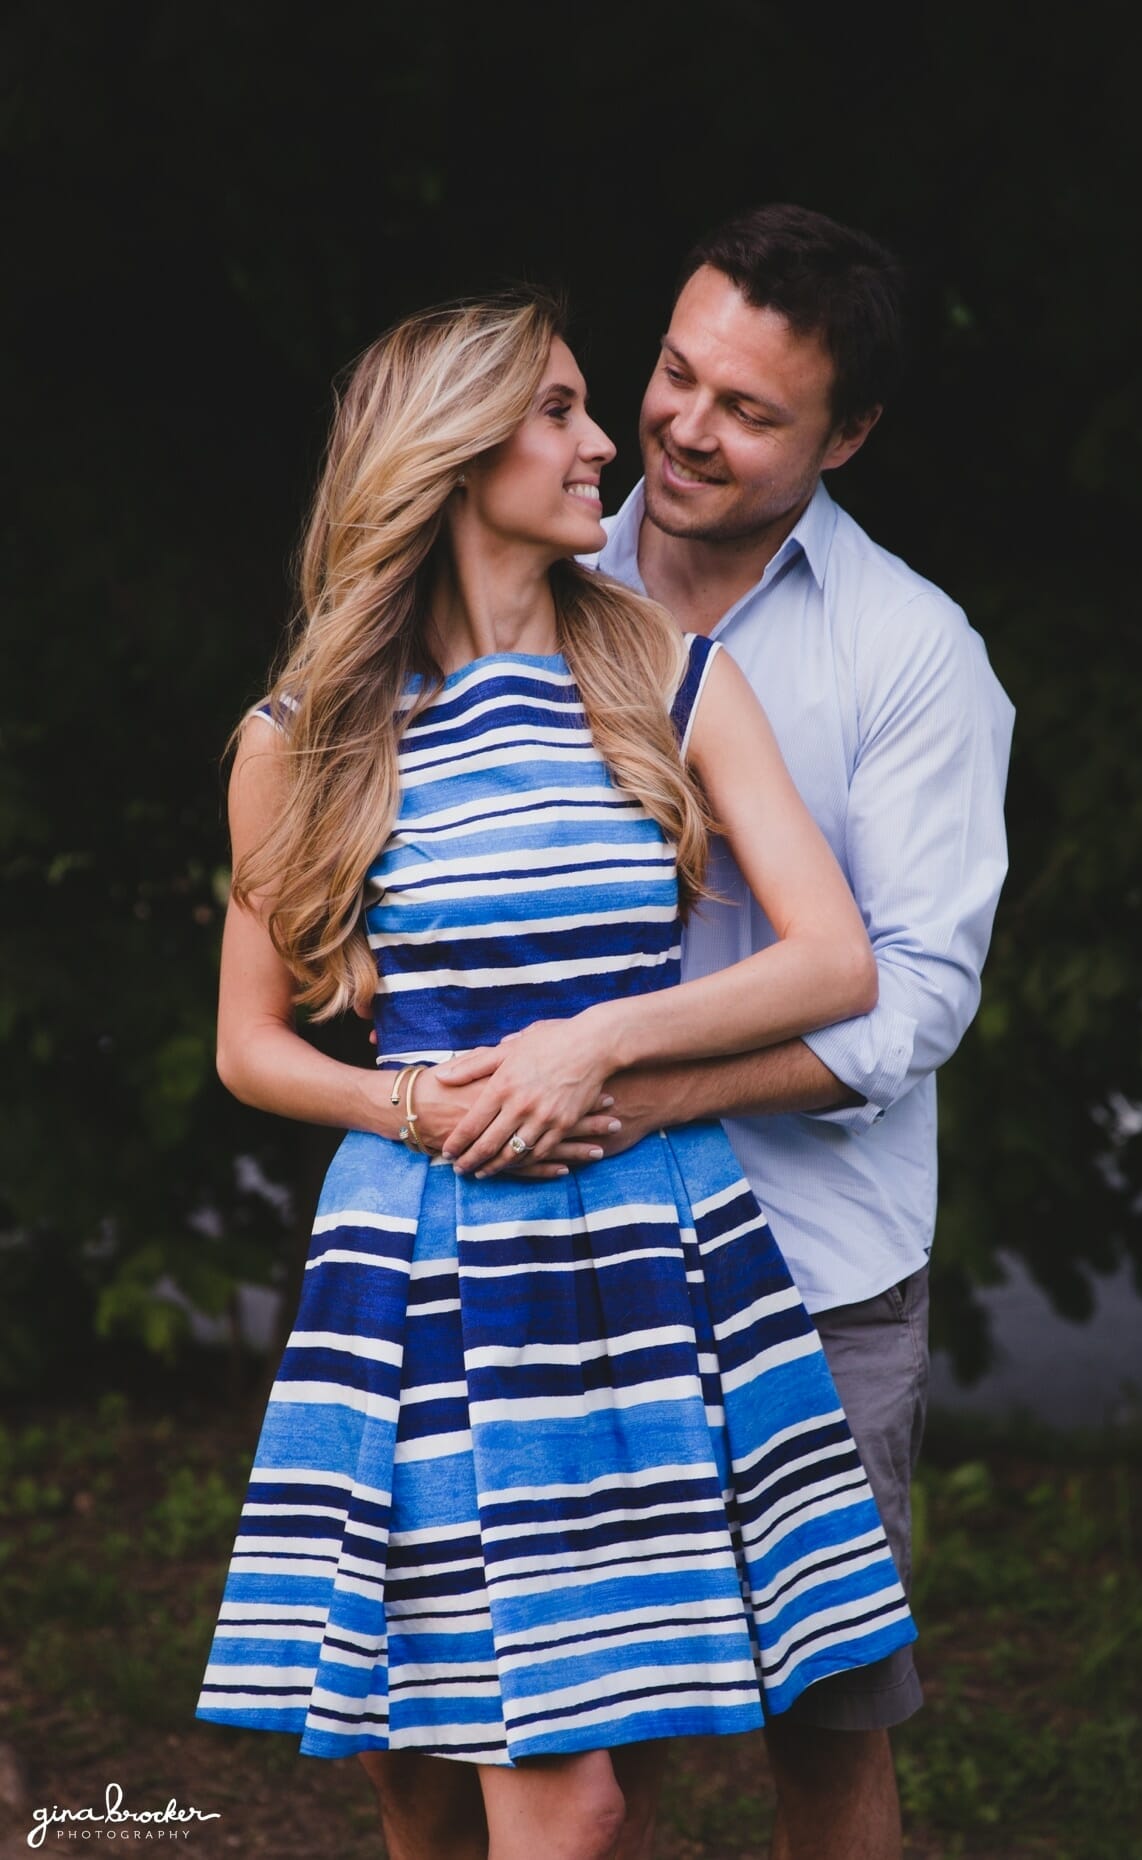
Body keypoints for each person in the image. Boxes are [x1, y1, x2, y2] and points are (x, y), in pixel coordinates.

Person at [193, 290, 918, 1860]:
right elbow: (252, 1046)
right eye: (560, 412)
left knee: (586, 1789)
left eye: (592, 404)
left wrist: (604, 1039)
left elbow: (835, 960)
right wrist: (407, 1102)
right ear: (452, 456)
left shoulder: (671, 676)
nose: (609, 446)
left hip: (646, 1260)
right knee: (427, 1777)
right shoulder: (306, 735)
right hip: (427, 1269)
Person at [408, 209, 1017, 1858]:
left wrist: (628, 1069)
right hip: (571, 1260)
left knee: (825, 1744)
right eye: (676, 373)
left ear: (851, 435)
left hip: (813, 1271)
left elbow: (909, 999)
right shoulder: (538, 564)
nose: (681, 426)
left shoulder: (909, 656)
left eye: (749, 412)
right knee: (598, 1747)